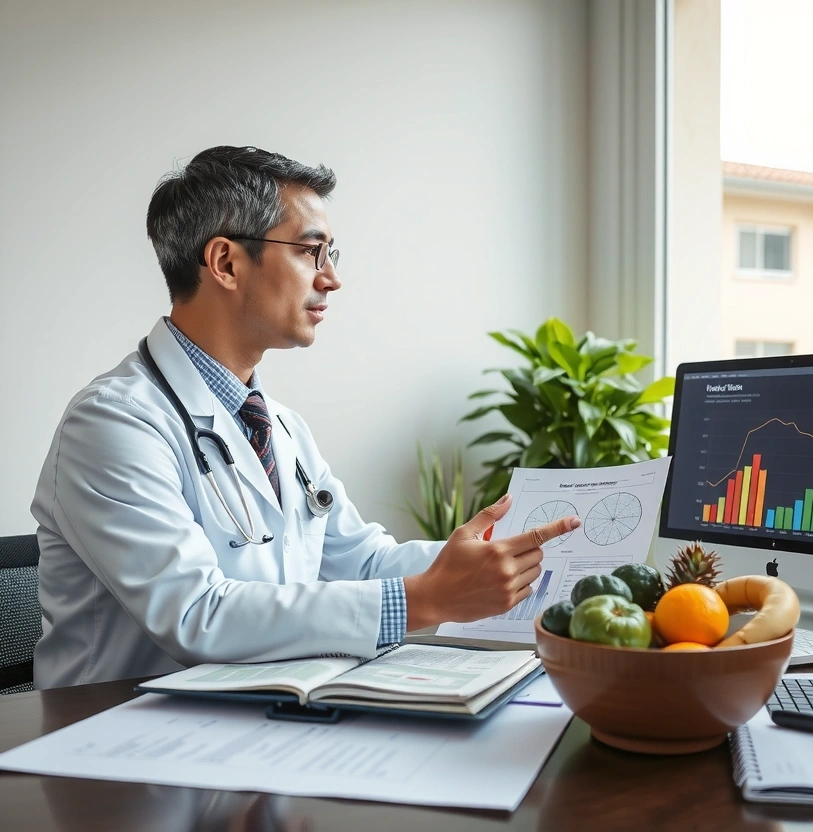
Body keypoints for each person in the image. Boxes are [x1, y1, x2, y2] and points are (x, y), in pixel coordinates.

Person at [31, 145, 579, 689]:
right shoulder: (113, 424)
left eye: (332, 255)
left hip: (254, 724)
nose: (331, 279)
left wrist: (497, 560)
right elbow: (196, 615)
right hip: (117, 740)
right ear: (225, 263)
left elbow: (362, 562)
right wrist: (425, 600)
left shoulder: (279, 425)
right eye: (310, 252)